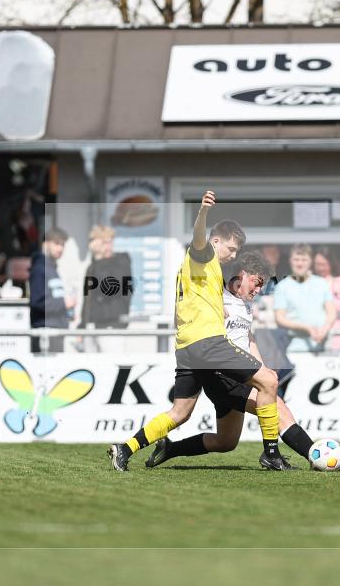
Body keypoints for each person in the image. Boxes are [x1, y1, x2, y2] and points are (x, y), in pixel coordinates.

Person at [107, 190, 286, 471]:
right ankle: (272, 454)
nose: (234, 255)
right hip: (208, 343)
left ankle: (124, 449)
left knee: (180, 413)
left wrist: (219, 308)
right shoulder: (203, 255)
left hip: (187, 346)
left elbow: (190, 302)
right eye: (231, 248)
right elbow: (199, 238)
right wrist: (203, 212)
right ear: (216, 241)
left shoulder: (201, 271)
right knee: (270, 380)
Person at [144, 251, 340, 471]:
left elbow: (248, 338)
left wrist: (262, 369)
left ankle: (170, 449)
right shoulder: (217, 300)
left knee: (226, 441)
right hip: (223, 375)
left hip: (239, 375)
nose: (259, 289)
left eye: (262, 285)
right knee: (278, 408)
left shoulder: (244, 304)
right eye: (257, 283)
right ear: (242, 275)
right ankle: (315, 457)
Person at [273, 244, 337, 353]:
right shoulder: (282, 286)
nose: (300, 263)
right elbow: (279, 318)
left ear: (310, 261)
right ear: (290, 261)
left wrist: (325, 329)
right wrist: (306, 328)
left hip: (323, 345)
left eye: (304, 259)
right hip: (294, 347)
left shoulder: (322, 283)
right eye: (296, 259)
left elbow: (331, 312)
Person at [81, 225, 132, 353]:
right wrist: (82, 325)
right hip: (92, 326)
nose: (106, 247)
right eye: (102, 243)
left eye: (109, 242)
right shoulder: (93, 266)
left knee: (112, 366)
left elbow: (109, 288)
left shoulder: (122, 261)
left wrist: (98, 258)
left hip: (112, 325)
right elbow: (88, 299)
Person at [29, 228, 75, 353]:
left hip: (55, 330)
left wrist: (67, 311)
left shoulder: (52, 268)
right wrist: (63, 304)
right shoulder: (40, 268)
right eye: (56, 243)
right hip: (45, 331)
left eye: (63, 245)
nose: (60, 248)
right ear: (45, 243)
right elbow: (37, 301)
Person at [313, 247, 340, 352]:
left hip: (337, 337)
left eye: (323, 264)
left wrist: (328, 302)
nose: (320, 268)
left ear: (331, 263)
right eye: (317, 264)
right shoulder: (310, 282)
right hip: (315, 337)